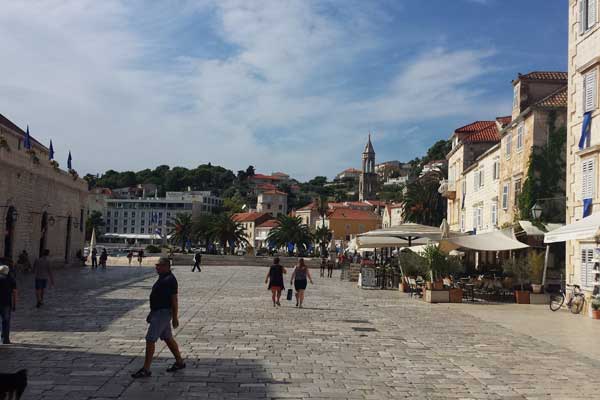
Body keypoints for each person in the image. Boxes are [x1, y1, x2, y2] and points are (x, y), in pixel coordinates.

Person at [131, 257, 185, 378]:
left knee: (150, 339)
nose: (156, 267)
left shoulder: (170, 280)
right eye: (156, 265)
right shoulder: (163, 277)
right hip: (158, 312)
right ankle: (179, 362)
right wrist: (152, 312)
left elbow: (174, 300)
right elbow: (157, 296)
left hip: (163, 313)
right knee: (167, 338)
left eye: (159, 265)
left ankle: (146, 369)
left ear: (166, 266)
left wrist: (175, 317)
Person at [0, 265, 17, 344]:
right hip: (6, 303)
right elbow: (15, 293)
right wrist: (14, 304)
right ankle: (5, 339)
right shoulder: (11, 279)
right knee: (6, 321)